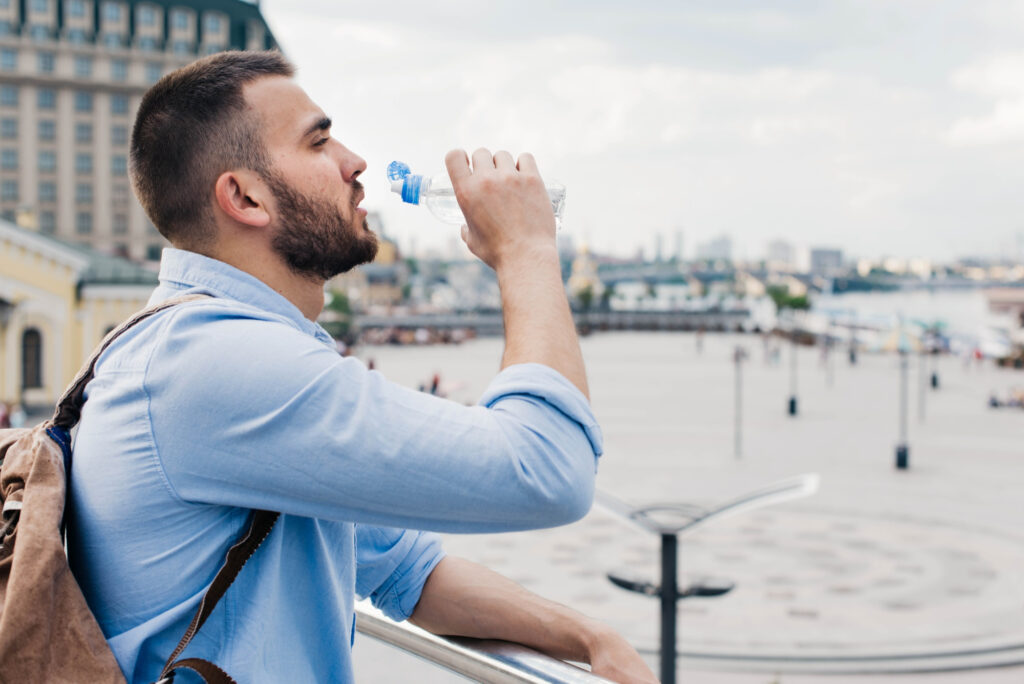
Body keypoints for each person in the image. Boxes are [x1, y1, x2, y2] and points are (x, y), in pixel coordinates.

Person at [68, 51, 655, 684]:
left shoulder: (213, 349)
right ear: (245, 196)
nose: (355, 161)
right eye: (318, 141)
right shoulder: (216, 364)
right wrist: (527, 249)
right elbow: (548, 469)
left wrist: (588, 636)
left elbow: (406, 571)